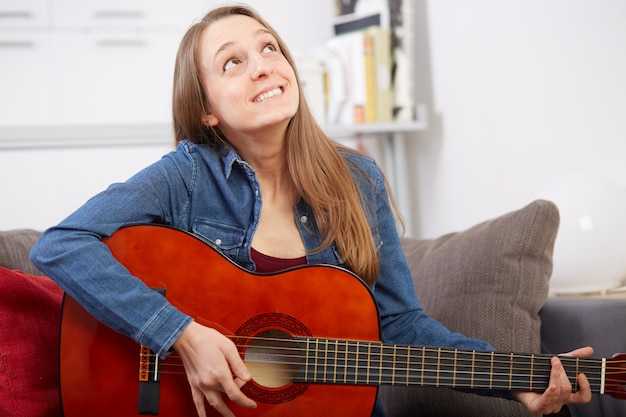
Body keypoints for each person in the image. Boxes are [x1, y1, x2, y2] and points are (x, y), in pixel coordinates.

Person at [30, 4, 593, 417]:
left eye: (270, 48)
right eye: (233, 62)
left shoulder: (358, 179)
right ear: (205, 109)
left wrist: (515, 378)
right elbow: (60, 244)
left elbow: (397, 324)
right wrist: (180, 334)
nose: (262, 66)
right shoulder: (186, 175)